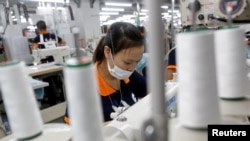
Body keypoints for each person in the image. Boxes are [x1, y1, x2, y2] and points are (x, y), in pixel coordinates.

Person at [64, 22, 148, 123]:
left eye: (137, 62)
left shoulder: (130, 75)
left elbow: (150, 96)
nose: (132, 68)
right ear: (107, 52)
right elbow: (73, 131)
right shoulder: (84, 88)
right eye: (128, 62)